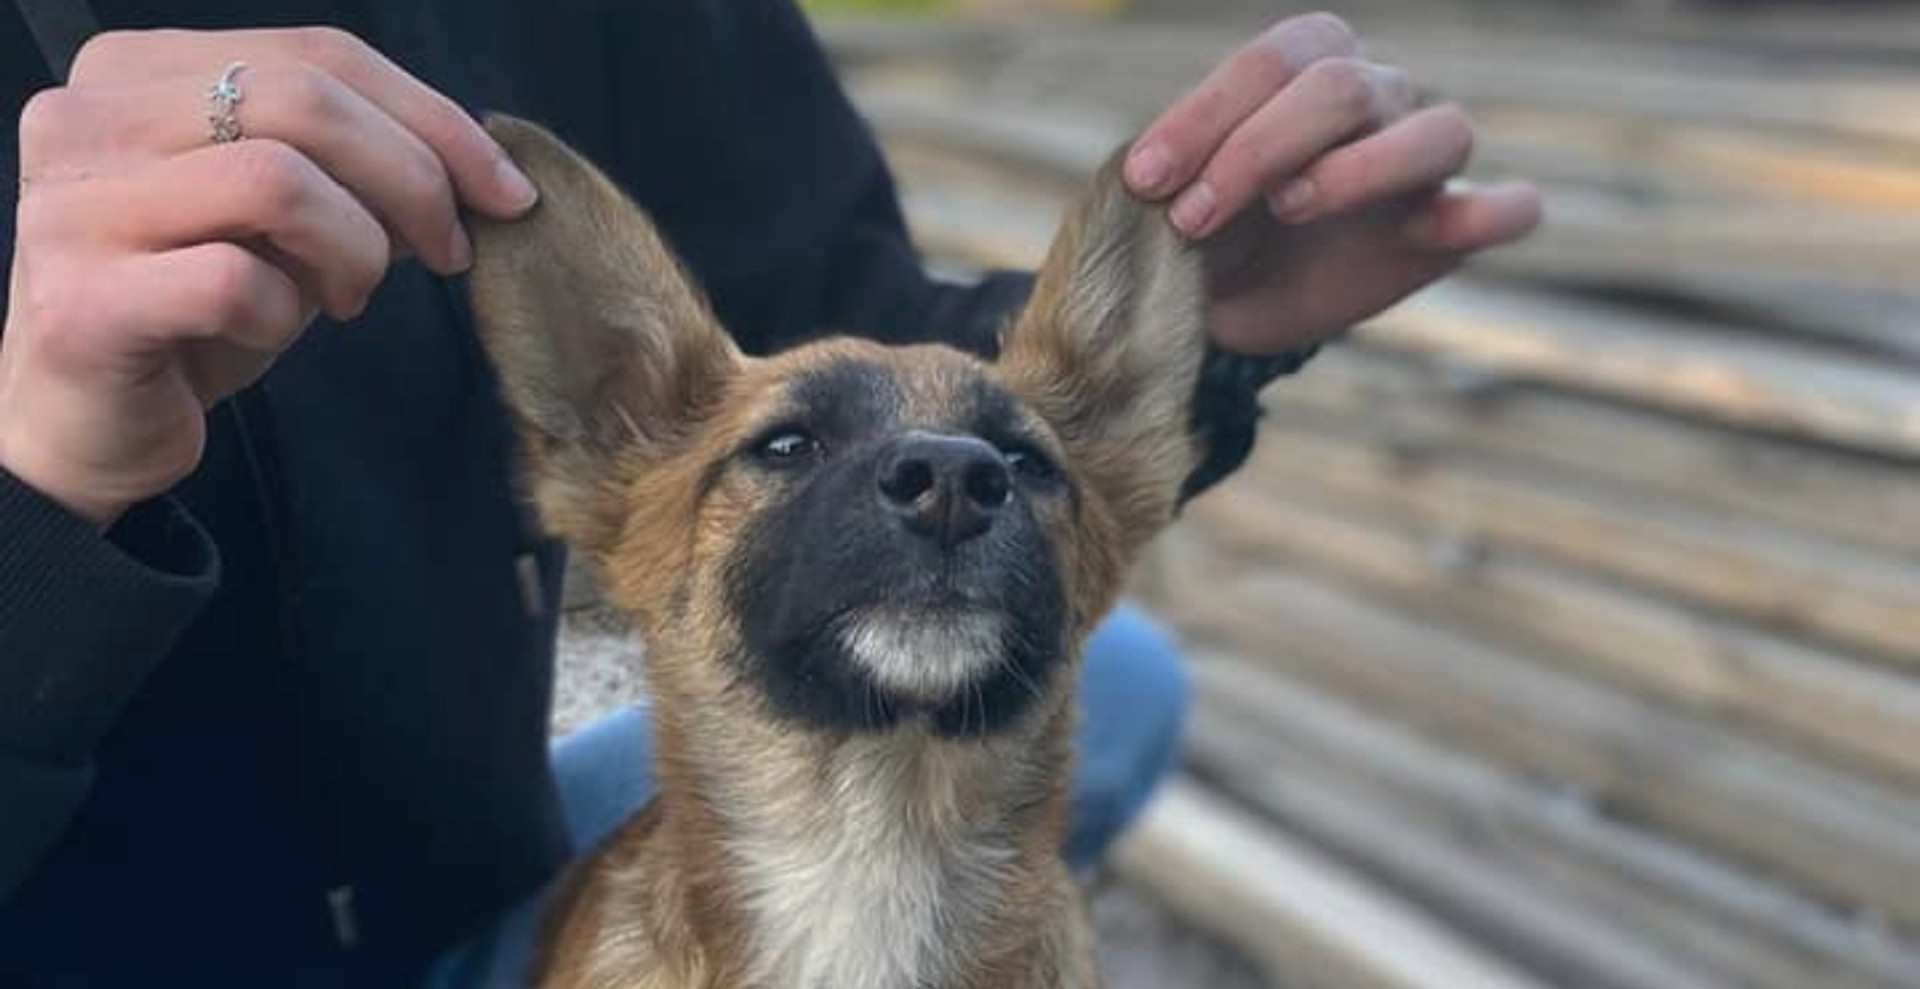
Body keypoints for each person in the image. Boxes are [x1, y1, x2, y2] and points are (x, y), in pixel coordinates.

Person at [0, 1, 1540, 986]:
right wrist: (41, 499)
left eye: (1008, 471)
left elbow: (867, 334)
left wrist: (1216, 344)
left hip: (479, 886)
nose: (956, 485)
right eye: (782, 452)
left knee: (1125, 680)